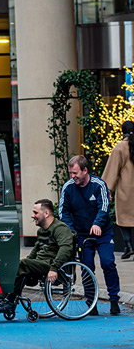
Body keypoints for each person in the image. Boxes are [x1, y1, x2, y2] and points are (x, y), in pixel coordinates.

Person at [0, 199, 74, 314]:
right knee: (13, 264)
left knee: (23, 264)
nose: (32, 216)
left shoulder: (60, 229)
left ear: (46, 213)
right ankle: (2, 299)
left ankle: (10, 301)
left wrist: (54, 268)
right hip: (40, 264)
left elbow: (66, 248)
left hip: (52, 265)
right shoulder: (42, 231)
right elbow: (36, 249)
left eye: (35, 213)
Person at [60, 155, 121, 315]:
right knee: (87, 268)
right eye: (70, 173)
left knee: (108, 263)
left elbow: (105, 207)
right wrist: (71, 230)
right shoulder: (68, 187)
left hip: (103, 232)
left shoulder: (98, 185)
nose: (73, 177)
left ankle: (114, 300)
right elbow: (63, 211)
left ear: (85, 170)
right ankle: (91, 302)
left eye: (75, 173)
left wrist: (97, 224)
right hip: (81, 234)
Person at [102, 121, 134, 260]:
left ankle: (129, 246)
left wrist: (106, 189)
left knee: (123, 219)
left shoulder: (120, 148)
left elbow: (112, 170)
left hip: (126, 191)